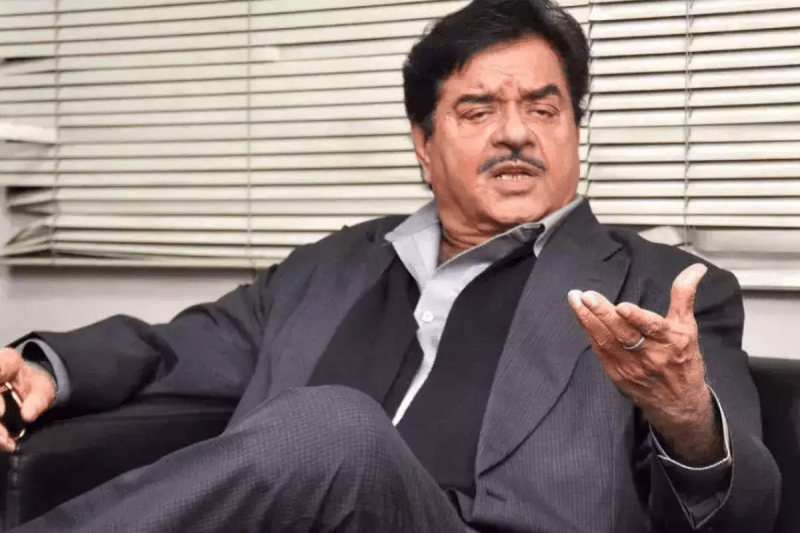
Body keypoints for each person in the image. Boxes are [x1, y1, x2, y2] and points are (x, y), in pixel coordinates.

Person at [0, 0, 781, 531]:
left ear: (575, 130)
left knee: (334, 428)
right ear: (423, 142)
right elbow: (175, 348)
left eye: (544, 109)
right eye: (478, 110)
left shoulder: (662, 290)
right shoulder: (330, 267)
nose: (517, 133)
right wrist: (42, 370)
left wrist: (685, 416)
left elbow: (743, 511)